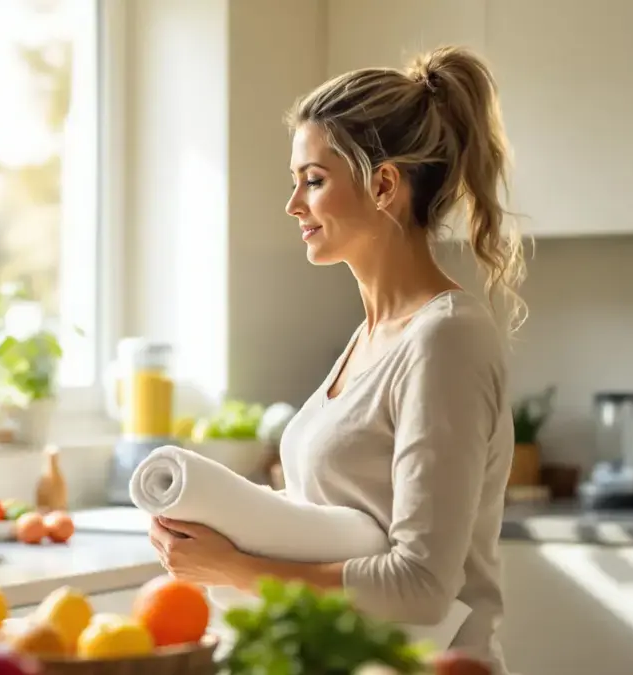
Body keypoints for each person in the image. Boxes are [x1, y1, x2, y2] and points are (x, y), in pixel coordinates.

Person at [147, 45, 524, 673]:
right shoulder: (369, 337)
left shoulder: (446, 340)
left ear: (383, 185)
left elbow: (421, 585)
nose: (294, 205)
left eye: (314, 181)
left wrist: (233, 568)